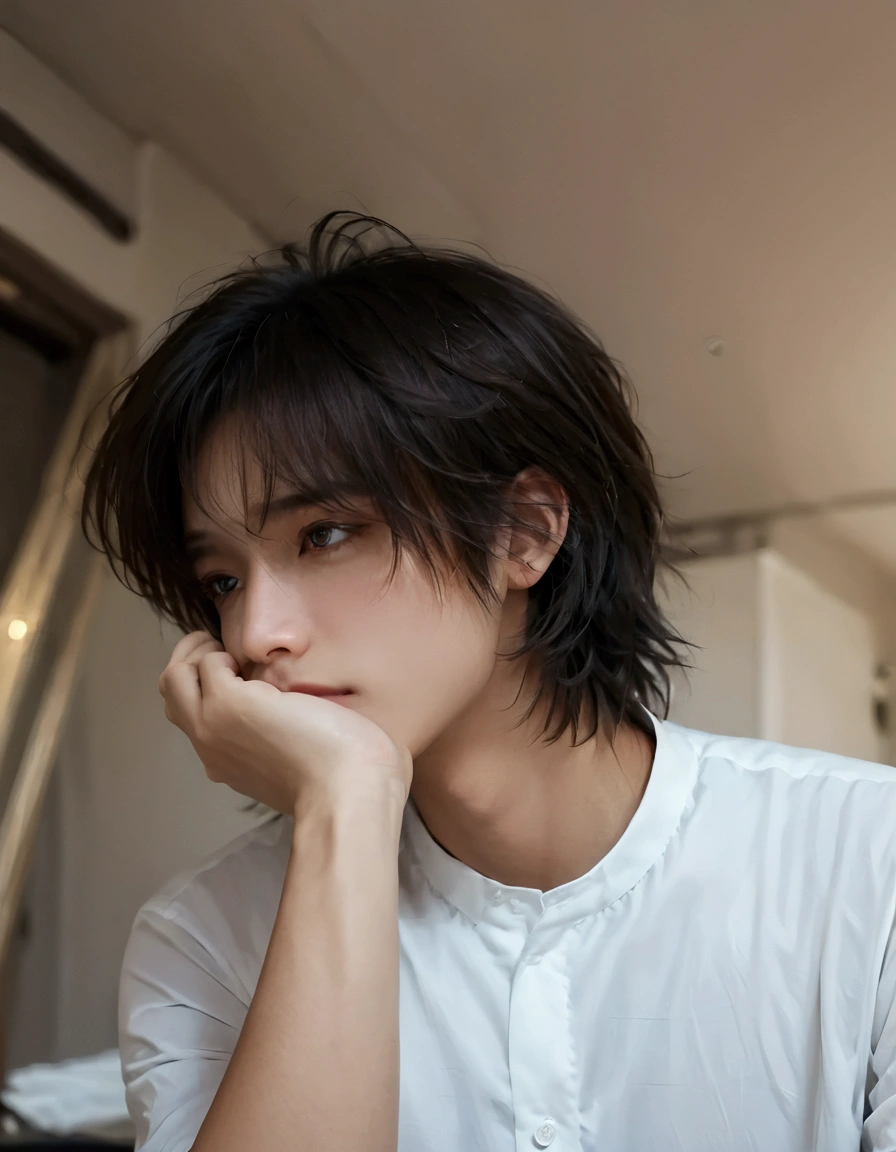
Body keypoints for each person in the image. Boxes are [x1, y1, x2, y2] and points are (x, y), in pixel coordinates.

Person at [82, 212, 896, 1152]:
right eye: (223, 579)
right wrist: (346, 807)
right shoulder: (204, 938)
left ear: (525, 532)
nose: (257, 633)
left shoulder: (865, 864)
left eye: (326, 534)